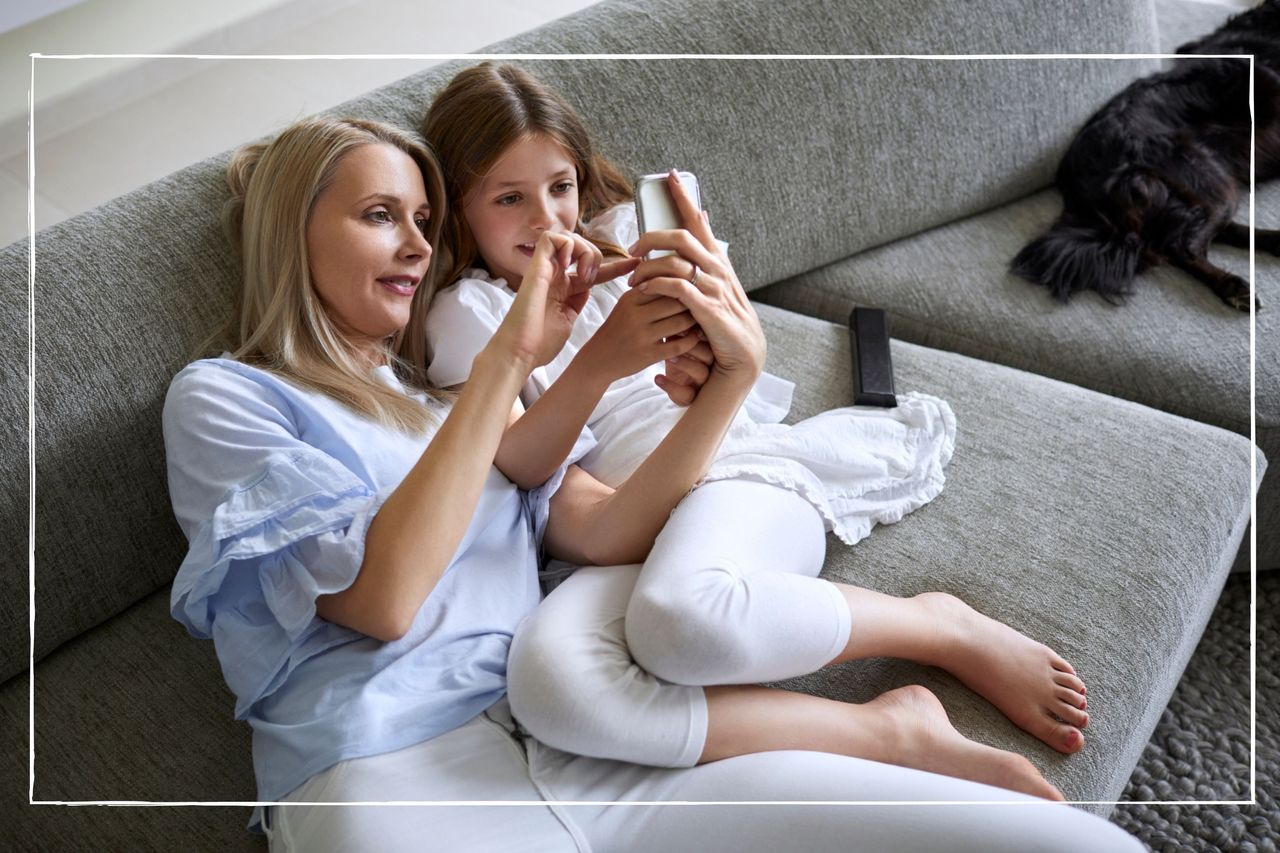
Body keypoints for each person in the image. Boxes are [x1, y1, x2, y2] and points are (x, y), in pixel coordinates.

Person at [164, 113, 1144, 851]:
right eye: (381, 216)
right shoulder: (222, 398)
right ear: (292, 233)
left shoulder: (436, 401)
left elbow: (598, 536)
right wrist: (510, 359)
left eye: (423, 218)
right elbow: (379, 600)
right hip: (392, 778)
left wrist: (722, 378)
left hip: (595, 743)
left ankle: (894, 726)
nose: (421, 248)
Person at [420, 61, 1093, 777]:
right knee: (550, 684)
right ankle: (889, 732)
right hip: (637, 532)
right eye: (508, 198)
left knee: (680, 619)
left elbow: (737, 367)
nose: (547, 219)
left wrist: (702, 368)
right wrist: (599, 363)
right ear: (459, 210)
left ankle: (940, 626)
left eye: (559, 187)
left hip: (737, 479)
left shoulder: (625, 238)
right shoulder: (469, 315)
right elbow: (519, 464)